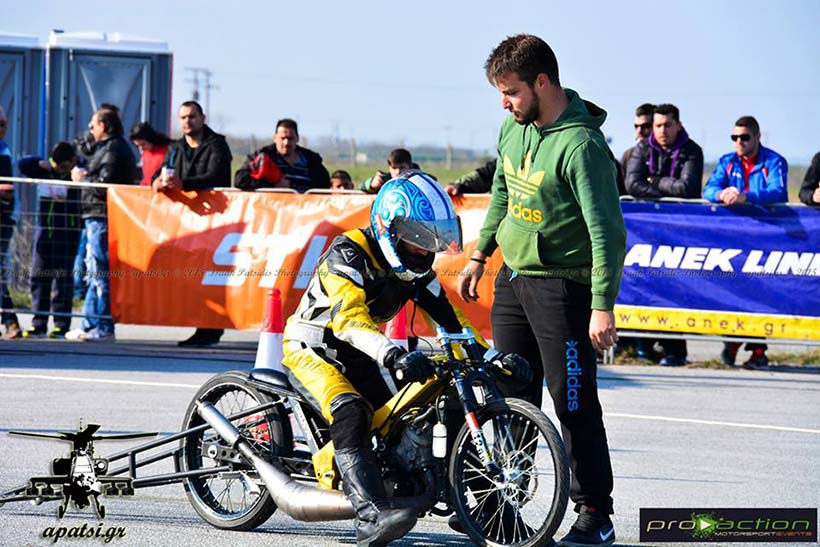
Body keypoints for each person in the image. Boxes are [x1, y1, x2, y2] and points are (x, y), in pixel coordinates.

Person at [282, 170, 528, 547]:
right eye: (418, 238)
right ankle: (369, 517)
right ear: (390, 229)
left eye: (432, 240)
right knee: (351, 412)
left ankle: (484, 511)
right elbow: (349, 320)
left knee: (404, 419)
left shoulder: (416, 271)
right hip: (314, 349)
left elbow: (452, 323)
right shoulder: (347, 254)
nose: (426, 250)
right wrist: (393, 354)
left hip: (364, 353)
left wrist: (493, 357)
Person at [457, 34, 625, 547]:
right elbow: (503, 192)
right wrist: (481, 254)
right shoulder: (513, 127)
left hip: (565, 289)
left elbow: (607, 232)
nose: (504, 103)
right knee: (509, 396)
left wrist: (602, 305)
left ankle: (595, 514)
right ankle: (499, 504)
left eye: (511, 92)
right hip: (513, 279)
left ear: (543, 82)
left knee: (572, 402)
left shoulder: (582, 147)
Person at [703, 116, 788, 368]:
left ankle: (757, 351)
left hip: (766, 238)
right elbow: (709, 189)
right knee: (734, 291)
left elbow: (778, 192)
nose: (739, 142)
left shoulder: (774, 161)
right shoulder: (727, 161)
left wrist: (746, 196)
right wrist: (721, 193)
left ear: (757, 137)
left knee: (760, 293)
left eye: (745, 137)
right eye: (735, 137)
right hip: (734, 240)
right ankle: (734, 340)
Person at [153, 101, 233, 347]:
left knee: (209, 276)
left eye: (192, 116)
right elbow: (159, 173)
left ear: (202, 117)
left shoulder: (217, 144)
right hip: (183, 223)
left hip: (215, 222)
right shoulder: (175, 148)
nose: (187, 121)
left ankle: (209, 328)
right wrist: (157, 183)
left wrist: (184, 184)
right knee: (189, 276)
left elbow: (216, 175)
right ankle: (199, 323)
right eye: (183, 117)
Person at [66, 108, 137, 341]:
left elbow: (106, 185)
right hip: (94, 216)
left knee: (100, 272)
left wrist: (83, 178)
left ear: (103, 126)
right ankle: (89, 324)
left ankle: (104, 325)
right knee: (93, 272)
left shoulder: (114, 149)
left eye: (93, 125)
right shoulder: (105, 147)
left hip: (102, 216)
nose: (90, 130)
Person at [18, 143, 82, 338]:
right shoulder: (47, 171)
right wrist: (39, 163)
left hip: (68, 233)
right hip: (45, 232)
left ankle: (61, 325)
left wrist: (78, 178)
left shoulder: (78, 173)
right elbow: (23, 164)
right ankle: (39, 324)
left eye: (63, 166)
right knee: (39, 277)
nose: (59, 169)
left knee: (63, 280)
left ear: (72, 162)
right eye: (56, 165)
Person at [624, 104, 703, 199]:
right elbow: (632, 184)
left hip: (682, 207)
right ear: (653, 127)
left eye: (667, 125)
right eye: (658, 126)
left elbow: (687, 188)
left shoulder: (692, 150)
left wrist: (657, 182)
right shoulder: (642, 148)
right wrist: (658, 197)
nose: (663, 131)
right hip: (649, 207)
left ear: (678, 125)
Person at [234, 118, 329, 193]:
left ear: (297, 138)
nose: (286, 143)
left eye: (290, 138)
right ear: (275, 138)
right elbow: (240, 180)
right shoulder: (261, 157)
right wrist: (272, 185)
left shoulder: (311, 160)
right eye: (282, 138)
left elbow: (325, 186)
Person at [0, 105, 22, 339]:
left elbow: (7, 191)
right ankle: (10, 321)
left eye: (4, 124)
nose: (2, 128)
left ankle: (10, 321)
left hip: (3, 218)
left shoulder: (3, 151)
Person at [130, 122, 171, 187]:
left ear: (150, 139)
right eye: (138, 146)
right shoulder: (146, 153)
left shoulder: (168, 150)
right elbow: (147, 178)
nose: (141, 148)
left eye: (143, 144)